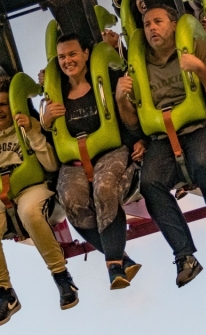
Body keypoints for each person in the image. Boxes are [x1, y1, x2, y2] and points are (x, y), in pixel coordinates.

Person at [116, 5, 206, 287]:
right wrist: (121, 100)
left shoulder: (195, 46)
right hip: (163, 137)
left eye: (158, 22)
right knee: (150, 182)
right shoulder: (138, 64)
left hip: (201, 126)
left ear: (174, 25)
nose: (152, 28)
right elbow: (134, 125)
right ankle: (184, 255)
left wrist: (200, 68)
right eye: (147, 24)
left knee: (203, 166)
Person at [0, 76, 78, 327]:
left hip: (32, 187)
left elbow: (50, 164)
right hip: (1, 194)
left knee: (30, 212)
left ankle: (62, 276)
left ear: (12, 105)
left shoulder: (27, 125)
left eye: (3, 104)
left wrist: (32, 131)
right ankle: (5, 294)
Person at [41, 33, 146, 290]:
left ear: (86, 54)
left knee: (104, 189)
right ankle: (120, 258)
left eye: (72, 54)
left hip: (109, 151)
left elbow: (125, 113)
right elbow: (50, 137)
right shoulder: (56, 92)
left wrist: (139, 140)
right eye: (62, 57)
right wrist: (46, 120)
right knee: (71, 198)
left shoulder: (104, 80)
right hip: (76, 159)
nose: (68, 61)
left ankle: (113, 266)